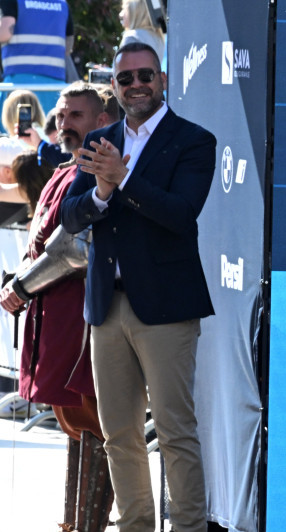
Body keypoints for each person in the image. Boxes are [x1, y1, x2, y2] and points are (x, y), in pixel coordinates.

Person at [59, 42, 217, 532]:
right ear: (115, 87)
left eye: (145, 75)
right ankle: (135, 526)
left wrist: (122, 179)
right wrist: (102, 193)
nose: (136, 85)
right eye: (125, 79)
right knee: (118, 434)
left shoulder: (192, 140)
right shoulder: (101, 139)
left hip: (167, 309)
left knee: (174, 433)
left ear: (163, 79)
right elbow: (69, 214)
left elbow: (180, 213)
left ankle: (188, 527)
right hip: (107, 307)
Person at [0, 80, 118, 532]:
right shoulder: (66, 169)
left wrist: (23, 287)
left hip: (83, 316)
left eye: (76, 116)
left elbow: (76, 248)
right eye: (62, 115)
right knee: (75, 425)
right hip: (54, 315)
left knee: (92, 423)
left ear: (102, 121)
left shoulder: (95, 170)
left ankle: (87, 526)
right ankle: (72, 524)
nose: (64, 124)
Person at [0, 0, 74, 112]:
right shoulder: (62, 4)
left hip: (18, 84)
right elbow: (68, 46)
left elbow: (6, 33)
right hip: (54, 86)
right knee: (51, 127)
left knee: (15, 127)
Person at [118, 0, 165, 70]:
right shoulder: (158, 37)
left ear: (135, 12)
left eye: (124, 9)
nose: (121, 14)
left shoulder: (131, 37)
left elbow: (122, 72)